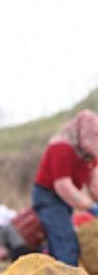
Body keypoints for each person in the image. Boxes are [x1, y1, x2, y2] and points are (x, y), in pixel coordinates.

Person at [33, 110, 98, 266]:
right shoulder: (61, 147)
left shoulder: (88, 151)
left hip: (64, 199)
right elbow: (63, 186)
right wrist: (91, 207)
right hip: (48, 197)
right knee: (66, 242)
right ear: (84, 132)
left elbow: (94, 183)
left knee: (59, 240)